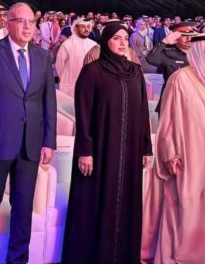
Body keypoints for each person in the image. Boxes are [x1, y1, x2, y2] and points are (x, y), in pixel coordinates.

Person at [0, 2, 56, 264]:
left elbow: (48, 103)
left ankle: (18, 260)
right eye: (21, 21)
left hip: (30, 144)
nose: (28, 26)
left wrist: (48, 141)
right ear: (8, 23)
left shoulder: (43, 57)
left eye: (31, 21)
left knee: (23, 209)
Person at [61, 22, 152, 264]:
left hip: (130, 150)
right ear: (105, 41)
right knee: (95, 201)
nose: (122, 43)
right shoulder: (92, 72)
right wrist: (85, 150)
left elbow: (143, 111)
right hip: (100, 150)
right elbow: (84, 114)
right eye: (116, 38)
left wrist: (146, 147)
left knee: (126, 201)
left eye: (125, 38)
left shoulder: (135, 72)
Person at [152, 34, 205, 263]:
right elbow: (168, 119)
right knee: (186, 207)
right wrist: (170, 153)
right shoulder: (180, 79)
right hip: (189, 154)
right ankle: (180, 258)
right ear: (198, 50)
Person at [145, 21, 196, 96]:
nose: (189, 38)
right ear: (175, 36)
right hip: (172, 95)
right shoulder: (167, 52)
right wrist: (165, 41)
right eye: (184, 35)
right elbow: (151, 59)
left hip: (193, 95)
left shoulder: (197, 52)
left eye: (191, 35)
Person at [55, 18, 97, 98]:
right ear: (76, 28)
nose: (86, 29)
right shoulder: (67, 44)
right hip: (69, 86)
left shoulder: (93, 45)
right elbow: (59, 65)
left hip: (89, 86)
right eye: (83, 27)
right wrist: (66, 78)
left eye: (88, 27)